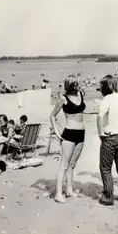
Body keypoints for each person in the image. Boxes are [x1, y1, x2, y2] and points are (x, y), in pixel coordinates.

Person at [50, 75, 86, 203]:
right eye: (75, 84)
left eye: (78, 83)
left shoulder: (81, 94)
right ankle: (58, 194)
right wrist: (57, 132)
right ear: (70, 85)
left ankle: (69, 190)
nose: (78, 86)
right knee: (64, 165)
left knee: (72, 164)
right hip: (69, 133)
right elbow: (52, 116)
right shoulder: (63, 99)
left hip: (81, 133)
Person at [97, 75, 118, 205]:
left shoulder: (107, 99)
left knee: (105, 168)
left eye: (101, 86)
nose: (100, 88)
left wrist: (101, 133)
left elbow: (100, 117)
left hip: (111, 137)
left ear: (106, 86)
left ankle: (108, 196)